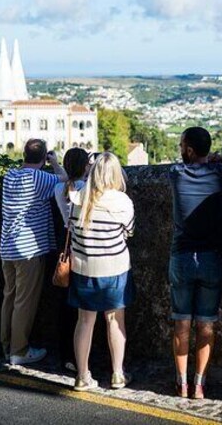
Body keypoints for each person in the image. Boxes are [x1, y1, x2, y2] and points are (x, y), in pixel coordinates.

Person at [169, 127, 222, 399]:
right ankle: (199, 384)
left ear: (188, 149)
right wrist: (219, 158)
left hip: (183, 256)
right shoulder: (219, 174)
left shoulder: (176, 174)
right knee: (206, 324)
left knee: (181, 323)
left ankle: (181, 382)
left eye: (181, 145)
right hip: (212, 257)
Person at [68, 152, 135, 391]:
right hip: (115, 268)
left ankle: (82, 375)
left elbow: (73, 234)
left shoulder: (77, 199)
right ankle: (117, 373)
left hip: (84, 268)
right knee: (115, 320)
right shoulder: (122, 202)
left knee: (84, 322)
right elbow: (129, 232)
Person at [0, 139, 67, 366]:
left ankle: (6, 345)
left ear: (24, 155)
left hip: (7, 247)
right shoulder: (40, 178)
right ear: (43, 157)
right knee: (25, 302)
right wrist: (56, 163)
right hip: (28, 249)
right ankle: (19, 350)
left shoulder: (10, 176)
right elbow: (68, 180)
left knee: (9, 297)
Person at [52, 148, 91, 372]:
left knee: (65, 302)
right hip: (83, 244)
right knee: (82, 302)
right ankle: (82, 355)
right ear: (85, 166)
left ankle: (66, 353)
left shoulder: (59, 188)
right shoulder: (88, 189)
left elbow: (67, 180)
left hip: (64, 243)